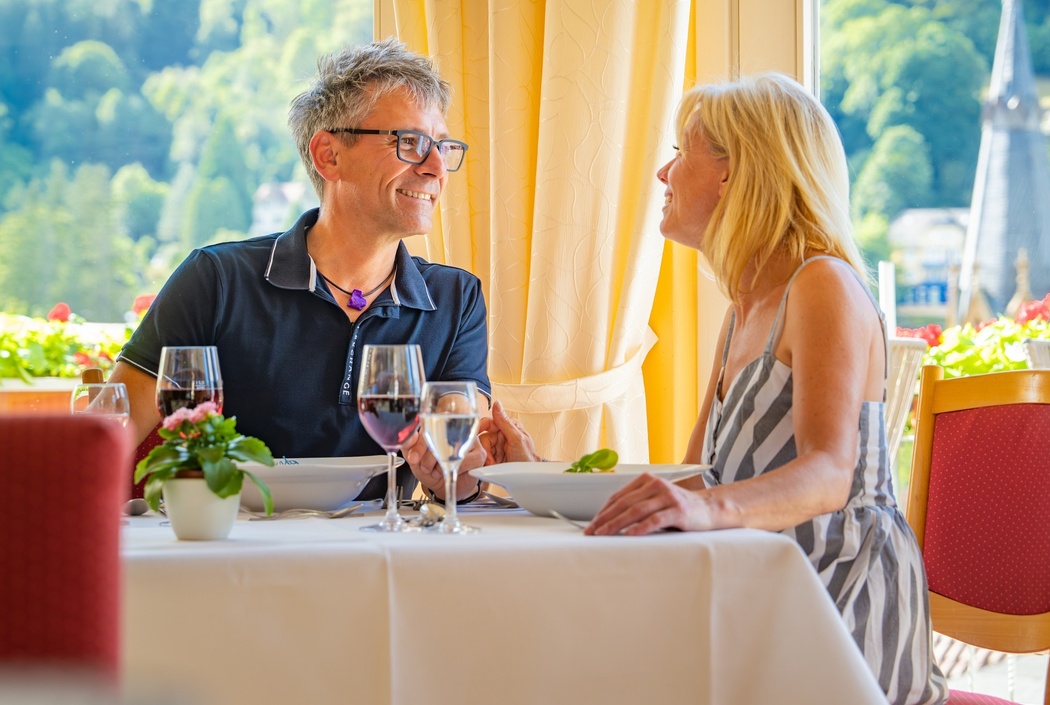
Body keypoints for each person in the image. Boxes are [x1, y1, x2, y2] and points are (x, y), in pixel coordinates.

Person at [483, 73, 947, 705]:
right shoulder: (745, 307)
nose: (664, 173)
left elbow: (829, 475)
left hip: (837, 597)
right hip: (757, 583)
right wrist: (542, 476)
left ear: (733, 174)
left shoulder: (823, 285)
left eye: (681, 151)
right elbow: (695, 482)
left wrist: (703, 511)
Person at [111, 38, 489, 503]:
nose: (436, 168)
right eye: (409, 142)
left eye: (442, 146)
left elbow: (462, 472)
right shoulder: (215, 280)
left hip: (380, 544)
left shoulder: (456, 299)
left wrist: (457, 474)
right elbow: (106, 441)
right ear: (328, 155)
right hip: (233, 538)